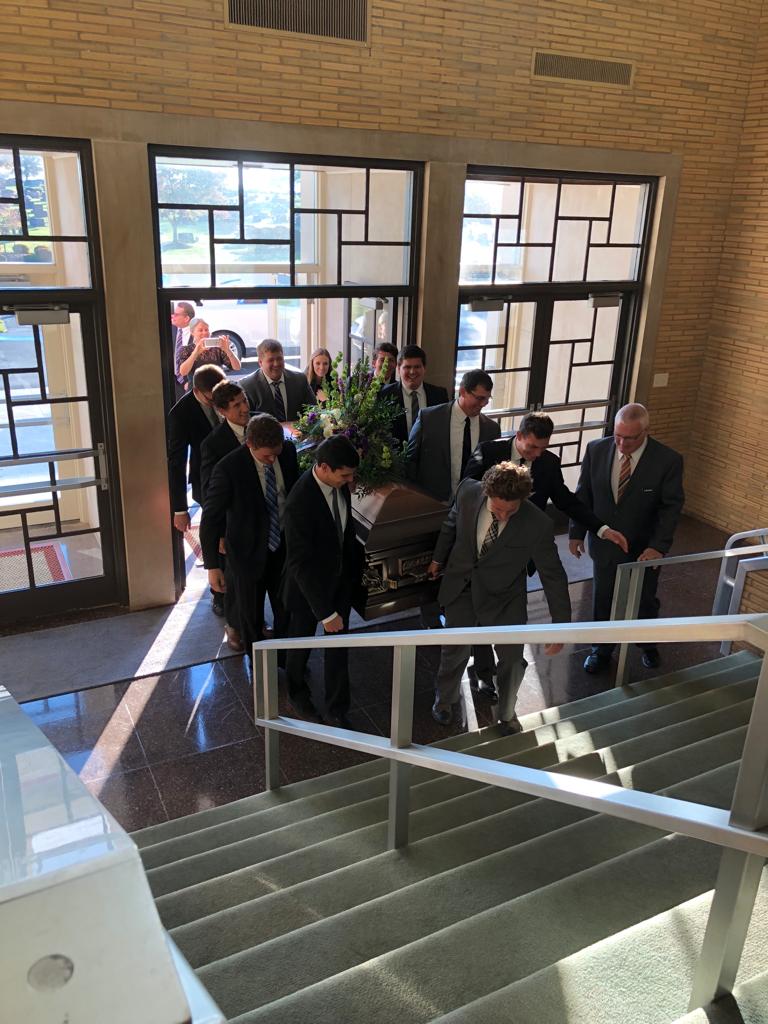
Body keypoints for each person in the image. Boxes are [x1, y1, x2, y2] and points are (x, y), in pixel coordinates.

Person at [462, 410, 628, 697]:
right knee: (480, 612)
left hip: (520, 554)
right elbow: (466, 492)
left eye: (542, 448)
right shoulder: (489, 451)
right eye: (532, 447)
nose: (537, 454)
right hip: (483, 549)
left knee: (511, 611)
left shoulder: (548, 463)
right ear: (519, 436)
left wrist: (601, 529)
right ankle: (484, 672)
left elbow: (566, 501)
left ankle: (509, 664)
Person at [428, 462, 571, 734]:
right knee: (454, 651)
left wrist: (560, 625)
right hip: (463, 585)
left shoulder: (538, 523)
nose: (503, 516)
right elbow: (450, 524)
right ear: (486, 492)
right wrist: (437, 559)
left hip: (506, 596)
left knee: (512, 659)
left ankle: (506, 714)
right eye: (497, 509)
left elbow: (553, 574)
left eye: (511, 511)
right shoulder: (468, 492)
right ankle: (445, 700)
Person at [568, 402, 685, 673]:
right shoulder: (596, 449)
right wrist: (576, 533)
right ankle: (601, 649)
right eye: (618, 435)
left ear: (645, 431)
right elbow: (583, 495)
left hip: (644, 547)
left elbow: (671, 508)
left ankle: (647, 643)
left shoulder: (668, 460)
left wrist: (658, 547)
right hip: (605, 544)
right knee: (603, 597)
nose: (622, 444)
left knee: (644, 598)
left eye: (630, 438)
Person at [281, 435, 365, 727]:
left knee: (338, 647)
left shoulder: (338, 486)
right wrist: (326, 613)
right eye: (345, 475)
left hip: (338, 582)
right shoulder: (299, 502)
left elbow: (345, 533)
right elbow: (300, 563)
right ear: (325, 468)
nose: (350, 481)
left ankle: (337, 708)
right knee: (300, 644)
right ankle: (296, 692)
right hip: (308, 590)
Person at [201, 414, 299, 662]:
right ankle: (259, 669)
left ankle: (287, 664)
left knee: (287, 611)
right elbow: (210, 518)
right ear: (250, 444)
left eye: (276, 453)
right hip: (246, 553)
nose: (273, 459)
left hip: (283, 547)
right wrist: (213, 567)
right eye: (267, 456)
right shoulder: (228, 469)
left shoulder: (288, 452)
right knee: (251, 618)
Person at [166, 364, 226, 616]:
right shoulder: (181, 414)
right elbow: (176, 463)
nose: (218, 403)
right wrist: (180, 509)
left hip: (234, 477)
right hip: (206, 482)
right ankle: (220, 595)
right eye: (212, 400)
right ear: (197, 391)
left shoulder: (228, 395)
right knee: (215, 535)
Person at [406, 368, 501, 503]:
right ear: (462, 391)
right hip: (431, 503)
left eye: (487, 399)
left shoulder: (491, 429)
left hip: (472, 504)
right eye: (479, 398)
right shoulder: (428, 419)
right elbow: (410, 461)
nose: (484, 404)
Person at [379, 344, 450, 443]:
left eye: (417, 367)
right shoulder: (383, 394)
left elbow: (444, 430)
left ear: (424, 368)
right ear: (398, 369)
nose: (412, 372)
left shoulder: (439, 395)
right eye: (407, 367)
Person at [241, 339, 317, 421]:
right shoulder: (247, 386)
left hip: (296, 429)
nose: (276, 364)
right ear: (260, 362)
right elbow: (246, 421)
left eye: (279, 359)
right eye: (271, 360)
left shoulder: (299, 380)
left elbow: (313, 410)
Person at [199, 381, 251, 500]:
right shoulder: (212, 445)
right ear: (222, 411)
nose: (245, 408)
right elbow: (209, 491)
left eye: (245, 400)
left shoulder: (263, 422)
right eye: (237, 405)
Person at [177, 317, 240, 386]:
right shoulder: (186, 349)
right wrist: (195, 353)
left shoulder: (218, 349)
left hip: (217, 388)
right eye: (200, 330)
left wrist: (228, 350)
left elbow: (237, 367)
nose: (204, 333)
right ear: (192, 333)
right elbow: (183, 372)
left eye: (206, 330)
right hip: (196, 389)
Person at [171, 300, 195, 399]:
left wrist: (191, 381)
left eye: (176, 314)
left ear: (186, 318)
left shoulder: (196, 333)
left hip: (189, 382)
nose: (173, 316)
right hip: (173, 380)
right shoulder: (170, 330)